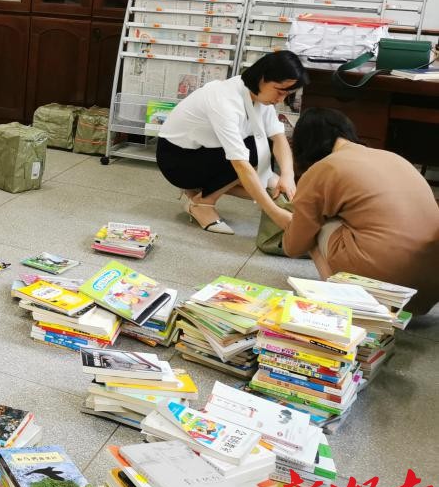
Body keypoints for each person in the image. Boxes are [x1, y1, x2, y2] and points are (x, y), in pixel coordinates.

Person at [280, 108, 439, 314]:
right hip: (427, 294)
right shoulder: (392, 157)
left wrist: (275, 209)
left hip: (383, 287)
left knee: (317, 225)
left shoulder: (324, 168)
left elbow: (294, 246)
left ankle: (339, 300)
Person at [156, 51, 307, 235]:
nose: (280, 99)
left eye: (286, 94)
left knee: (272, 180)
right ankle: (202, 203)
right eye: (280, 91)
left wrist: (288, 175)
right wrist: (275, 214)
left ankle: (198, 190)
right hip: (177, 160)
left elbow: (278, 137)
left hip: (205, 152)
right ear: (262, 78)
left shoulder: (257, 95)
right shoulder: (225, 99)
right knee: (254, 157)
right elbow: (241, 164)